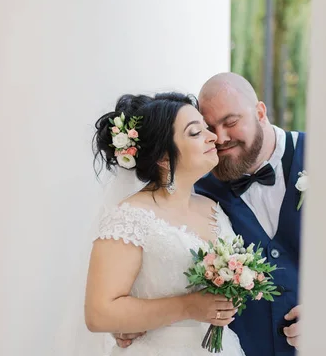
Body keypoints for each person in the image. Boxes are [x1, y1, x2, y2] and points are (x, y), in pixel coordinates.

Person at [116, 72, 305, 356]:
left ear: (260, 112)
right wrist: (134, 319)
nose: (221, 138)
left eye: (231, 122)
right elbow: (162, 257)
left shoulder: (323, 156)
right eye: (210, 127)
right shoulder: (196, 188)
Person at [85, 92, 246, 355]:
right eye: (195, 133)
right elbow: (99, 313)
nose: (213, 136)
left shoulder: (212, 208)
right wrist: (188, 307)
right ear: (162, 157)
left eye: (205, 128)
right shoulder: (130, 216)